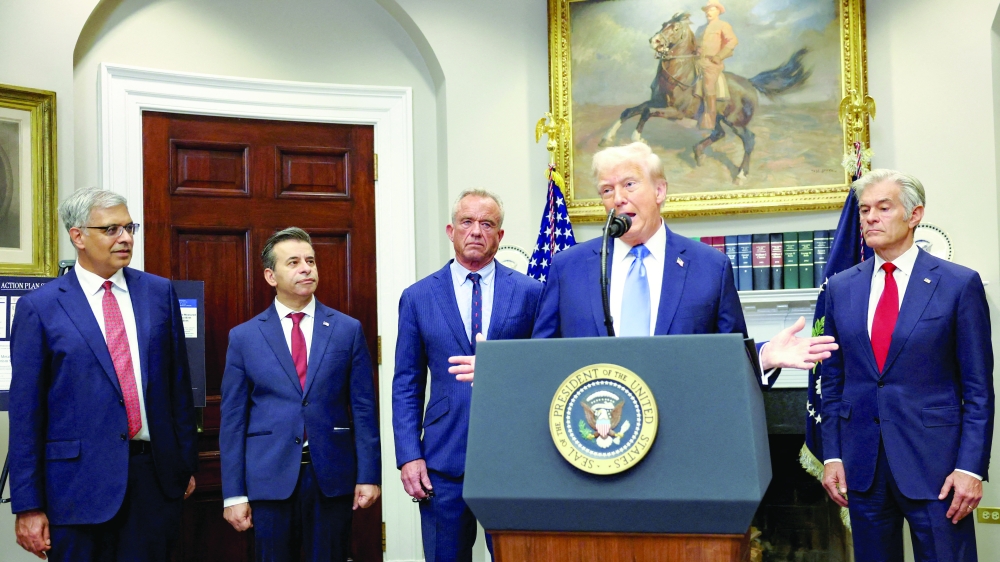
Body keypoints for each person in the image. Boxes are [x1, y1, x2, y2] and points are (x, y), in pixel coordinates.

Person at [516, 142, 835, 378]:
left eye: (629, 184)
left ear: (659, 190)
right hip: (595, 436)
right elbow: (541, 358)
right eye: (606, 190)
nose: (618, 198)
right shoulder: (569, 268)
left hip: (682, 436)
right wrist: (505, 369)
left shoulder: (710, 267)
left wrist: (764, 355)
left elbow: (726, 355)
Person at [9, 188, 198, 561]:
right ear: (78, 236)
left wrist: (184, 465)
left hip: (153, 481)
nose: (126, 238)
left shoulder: (159, 293)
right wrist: (28, 506)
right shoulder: (41, 307)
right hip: (77, 489)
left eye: (130, 227)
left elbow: (178, 387)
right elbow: (26, 413)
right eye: (111, 229)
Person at [820, 170, 993, 562]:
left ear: (915, 215)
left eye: (883, 207)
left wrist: (971, 467)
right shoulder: (841, 287)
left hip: (937, 469)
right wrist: (833, 456)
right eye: (865, 210)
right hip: (863, 468)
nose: (870, 218)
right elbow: (832, 381)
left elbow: (979, 389)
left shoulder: (958, 284)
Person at [392, 189, 542, 562]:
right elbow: (406, 383)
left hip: (514, 456)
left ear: (500, 236)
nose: (476, 231)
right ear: (451, 230)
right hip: (442, 458)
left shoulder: (530, 293)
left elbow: (544, 367)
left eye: (487, 223)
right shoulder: (418, 296)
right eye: (467, 222)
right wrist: (409, 455)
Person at [219, 227, 380, 562]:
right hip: (269, 478)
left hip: (331, 478)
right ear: (270, 275)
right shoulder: (245, 337)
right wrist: (233, 494)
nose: (306, 268)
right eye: (293, 262)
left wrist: (369, 475)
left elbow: (364, 409)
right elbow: (233, 420)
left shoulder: (346, 330)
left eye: (310, 260)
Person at [698, 0, 738, 130]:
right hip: (697, 61)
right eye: (707, 10)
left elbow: (732, 41)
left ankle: (710, 120)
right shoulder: (700, 28)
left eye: (712, 9)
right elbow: (695, 44)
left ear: (718, 11)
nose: (708, 12)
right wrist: (696, 49)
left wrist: (719, 56)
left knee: (708, 86)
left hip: (712, 64)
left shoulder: (723, 25)